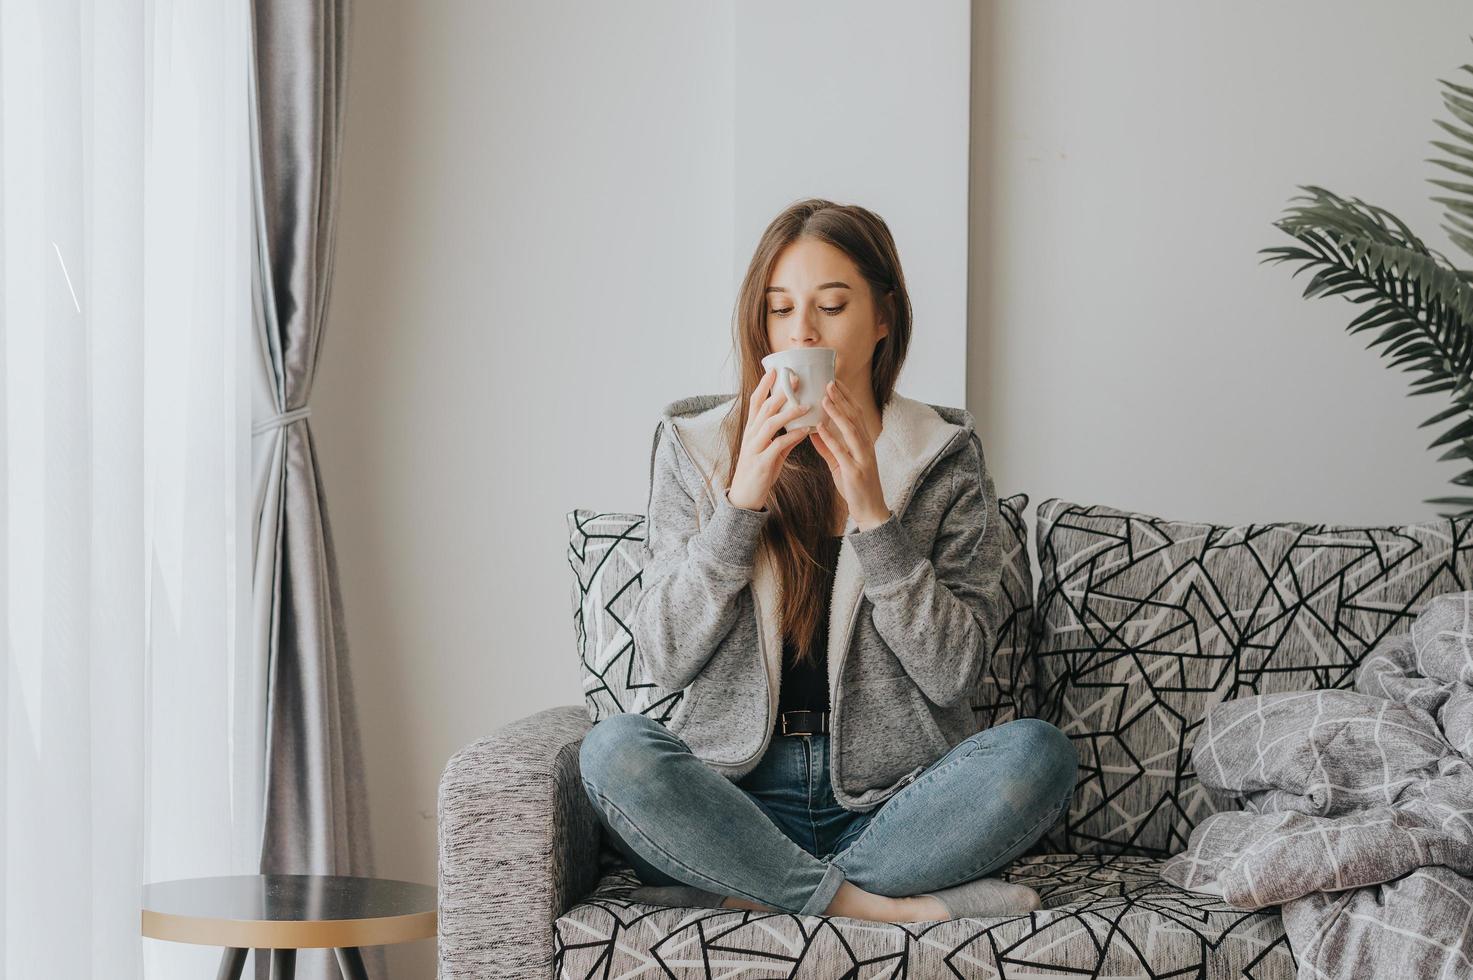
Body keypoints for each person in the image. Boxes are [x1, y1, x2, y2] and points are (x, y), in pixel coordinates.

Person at [578, 198, 1077, 922]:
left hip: (894, 804)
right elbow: (664, 653)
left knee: (1039, 753)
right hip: (731, 799)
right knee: (613, 750)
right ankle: (875, 908)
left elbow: (953, 671)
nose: (801, 332)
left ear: (882, 319)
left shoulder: (943, 457)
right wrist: (739, 504)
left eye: (831, 306)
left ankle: (741, 891)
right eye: (780, 310)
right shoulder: (697, 447)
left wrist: (875, 515)